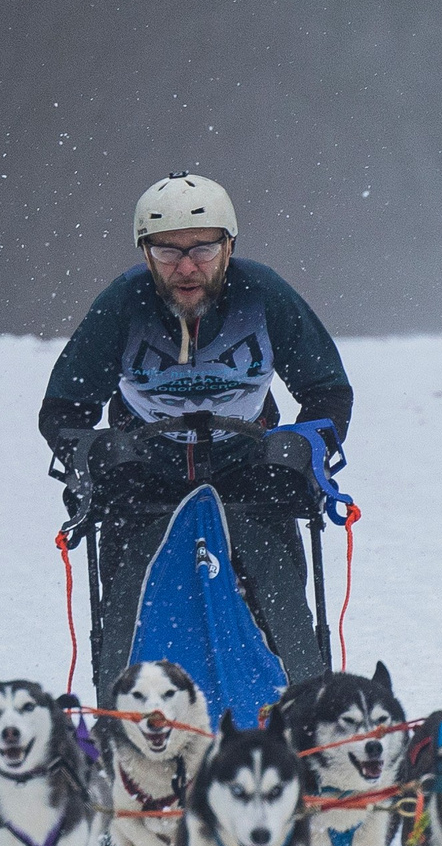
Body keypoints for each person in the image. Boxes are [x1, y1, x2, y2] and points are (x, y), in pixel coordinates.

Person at [40, 172, 352, 698]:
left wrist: (304, 445)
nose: (186, 267)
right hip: (144, 477)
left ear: (229, 246)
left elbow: (327, 390)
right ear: (145, 254)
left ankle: (306, 712)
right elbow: (63, 409)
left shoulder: (264, 295)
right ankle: (123, 714)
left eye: (203, 249)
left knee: (278, 594)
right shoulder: (122, 304)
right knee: (130, 601)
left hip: (250, 471)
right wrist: (97, 452)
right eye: (167, 252)